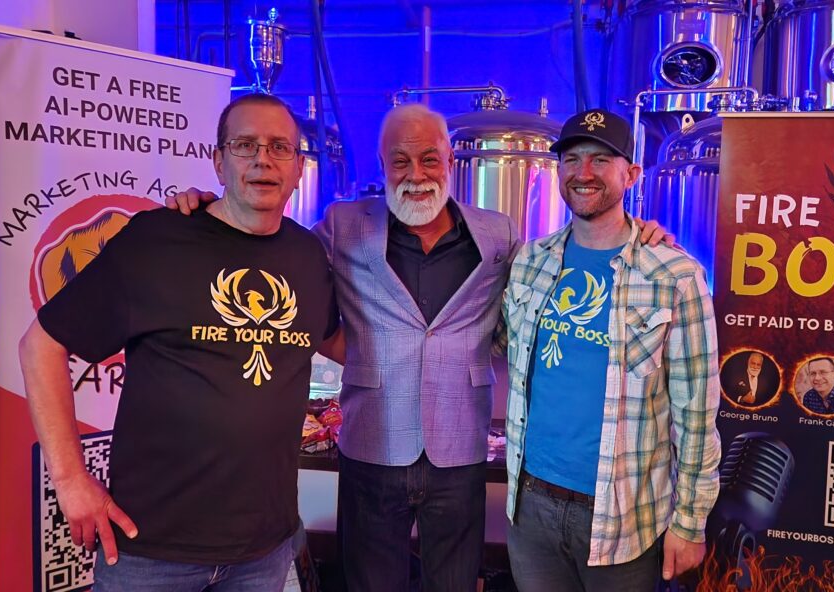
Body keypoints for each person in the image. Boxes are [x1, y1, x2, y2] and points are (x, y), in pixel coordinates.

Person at [167, 103, 670, 591]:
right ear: (382, 164)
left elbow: (549, 278)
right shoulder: (344, 224)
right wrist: (214, 213)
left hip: (461, 446)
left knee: (454, 581)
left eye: (429, 158)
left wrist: (635, 233)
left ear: (449, 159)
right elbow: (274, 255)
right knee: (370, 582)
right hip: (372, 441)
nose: (416, 173)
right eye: (400, 160)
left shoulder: (498, 233)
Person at [19, 93, 338, 591]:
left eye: (280, 147)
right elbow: (41, 345)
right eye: (245, 145)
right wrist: (69, 479)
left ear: (299, 168)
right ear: (217, 161)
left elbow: (341, 343)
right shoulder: (157, 240)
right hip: (151, 550)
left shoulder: (308, 256)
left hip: (263, 550)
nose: (263, 159)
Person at [502, 108, 721, 592]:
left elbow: (697, 413)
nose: (584, 172)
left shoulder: (675, 276)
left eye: (601, 160)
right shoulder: (530, 262)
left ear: (632, 174)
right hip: (530, 507)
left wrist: (690, 522)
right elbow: (505, 345)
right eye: (572, 159)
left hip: (624, 518)